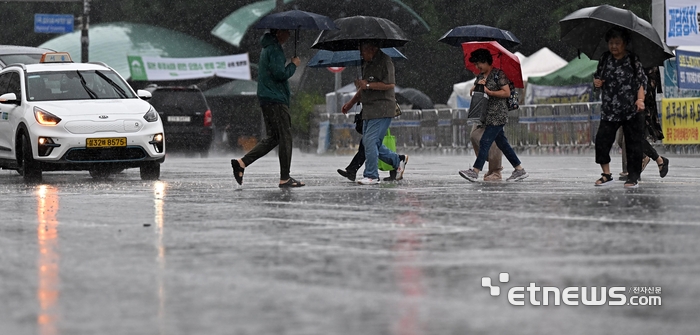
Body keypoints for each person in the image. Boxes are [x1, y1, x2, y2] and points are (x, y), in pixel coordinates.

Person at [231, 29, 304, 188]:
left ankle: (242, 163)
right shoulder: (275, 49)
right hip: (276, 98)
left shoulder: (267, 48)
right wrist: (293, 65)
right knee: (285, 137)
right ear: (279, 33)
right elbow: (280, 74)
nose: (289, 35)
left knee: (273, 137)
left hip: (267, 97)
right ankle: (285, 177)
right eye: (287, 32)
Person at [341, 41, 408, 185]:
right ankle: (398, 160)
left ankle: (372, 175)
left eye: (363, 51)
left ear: (372, 49)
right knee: (372, 142)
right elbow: (364, 88)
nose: (361, 55)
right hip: (369, 109)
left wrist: (368, 85)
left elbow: (390, 84)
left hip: (382, 108)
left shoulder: (385, 61)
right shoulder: (367, 63)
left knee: (370, 141)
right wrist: (350, 103)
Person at [458, 48, 528, 182]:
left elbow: (506, 92)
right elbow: (474, 92)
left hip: (498, 115)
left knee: (485, 141)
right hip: (486, 115)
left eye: (479, 63)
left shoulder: (498, 74)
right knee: (503, 144)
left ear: (486, 61)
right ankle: (519, 169)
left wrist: (490, 92)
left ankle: (475, 171)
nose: (477, 67)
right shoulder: (480, 76)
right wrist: (477, 87)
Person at [592, 27, 648, 188]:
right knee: (602, 141)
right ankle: (606, 174)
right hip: (610, 109)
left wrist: (640, 99)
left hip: (632, 110)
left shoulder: (632, 60)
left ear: (625, 44)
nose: (614, 46)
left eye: (617, 43)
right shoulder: (605, 58)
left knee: (633, 144)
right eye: (611, 43)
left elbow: (641, 82)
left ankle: (633, 177)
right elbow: (598, 78)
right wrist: (597, 83)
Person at [616, 67, 669, 180]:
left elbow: (650, 88)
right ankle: (650, 158)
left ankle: (630, 171)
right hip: (628, 106)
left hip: (643, 107)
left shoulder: (649, 64)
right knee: (621, 140)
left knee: (631, 138)